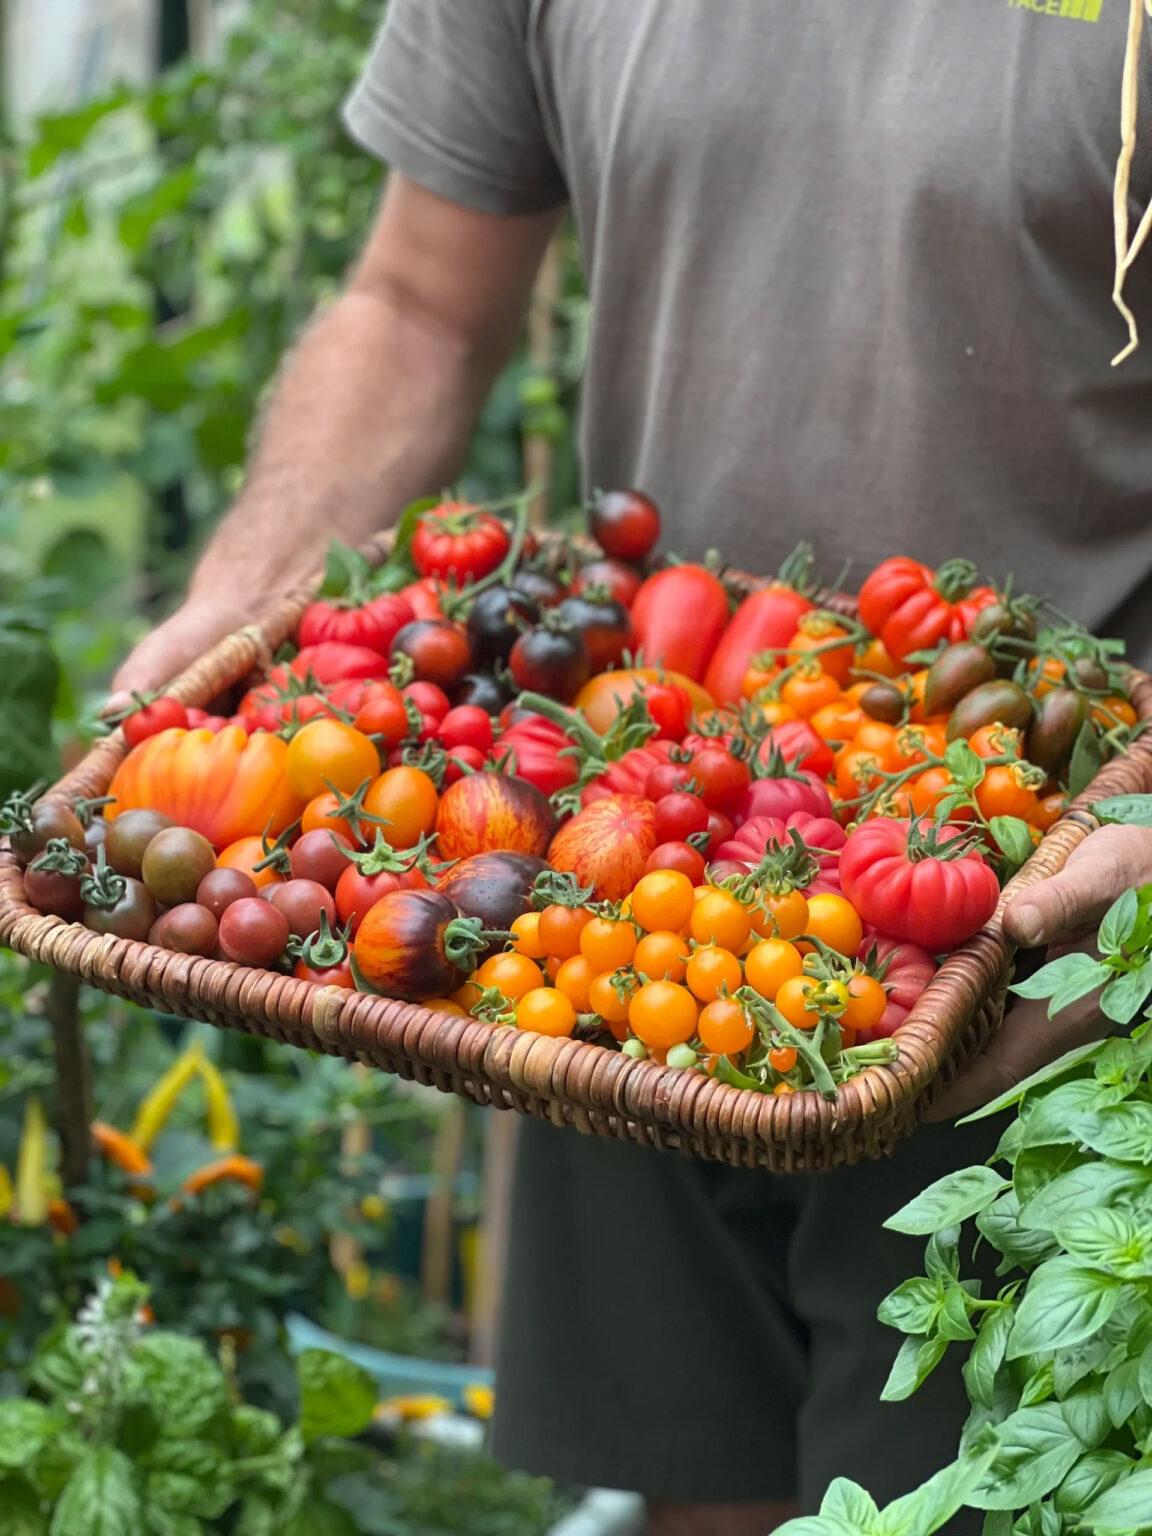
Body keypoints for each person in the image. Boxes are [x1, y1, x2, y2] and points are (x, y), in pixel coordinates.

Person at [107, 4, 1152, 1530]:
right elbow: (416, 301)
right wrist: (243, 590)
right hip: (621, 878)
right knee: (689, 1488)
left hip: (1048, 947)